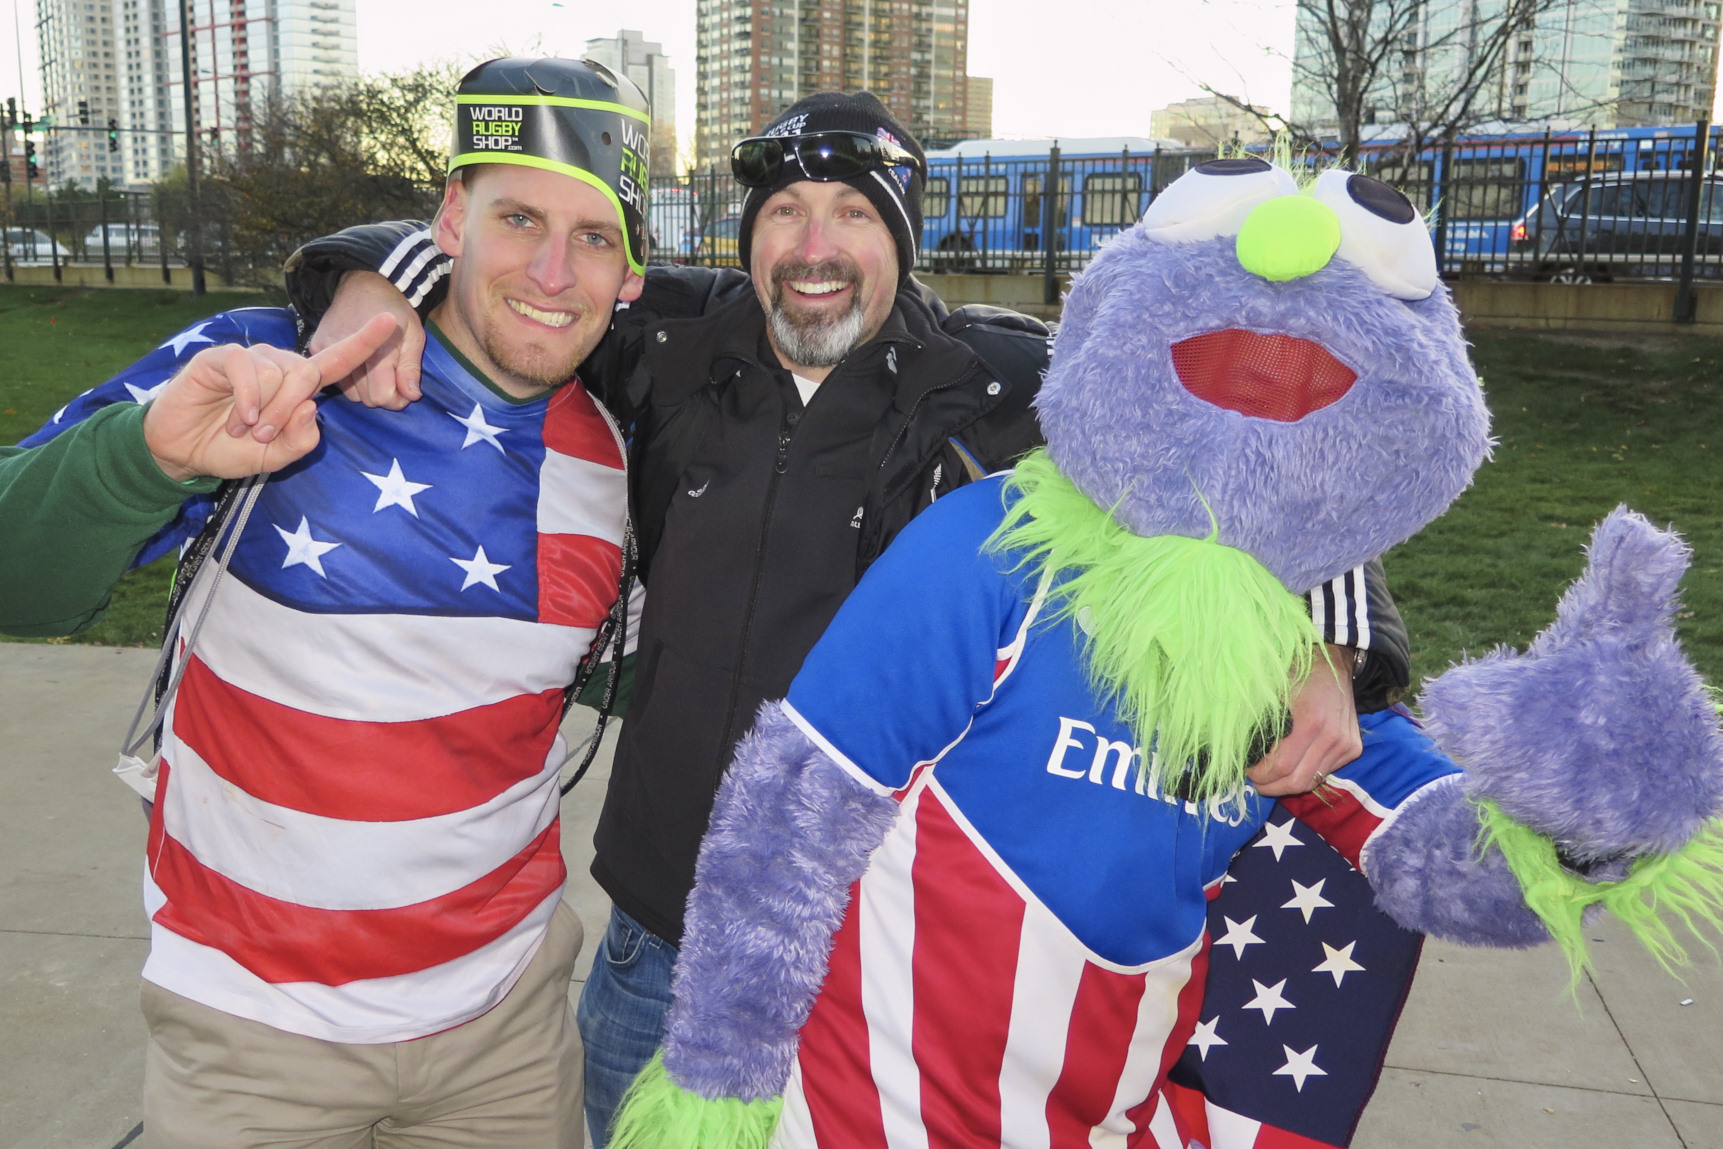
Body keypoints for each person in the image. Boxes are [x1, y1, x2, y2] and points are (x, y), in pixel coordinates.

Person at [286, 90, 1409, 1145]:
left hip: (872, 978)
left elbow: (1248, 448)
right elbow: (511, 257)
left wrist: (1332, 629)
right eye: (783, 212)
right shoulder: (666, 348)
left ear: (902, 238)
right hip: (656, 940)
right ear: (750, 235)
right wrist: (375, 284)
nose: (814, 248)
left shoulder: (1004, 388)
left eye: (851, 215)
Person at [0, 56, 653, 1148]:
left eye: (594, 238)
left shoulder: (620, 463)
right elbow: (21, 578)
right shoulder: (266, 365)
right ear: (449, 216)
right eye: (518, 217)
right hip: (252, 1040)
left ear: (631, 277)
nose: (551, 270)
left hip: (507, 1036)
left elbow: (666, 676)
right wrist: (141, 462)